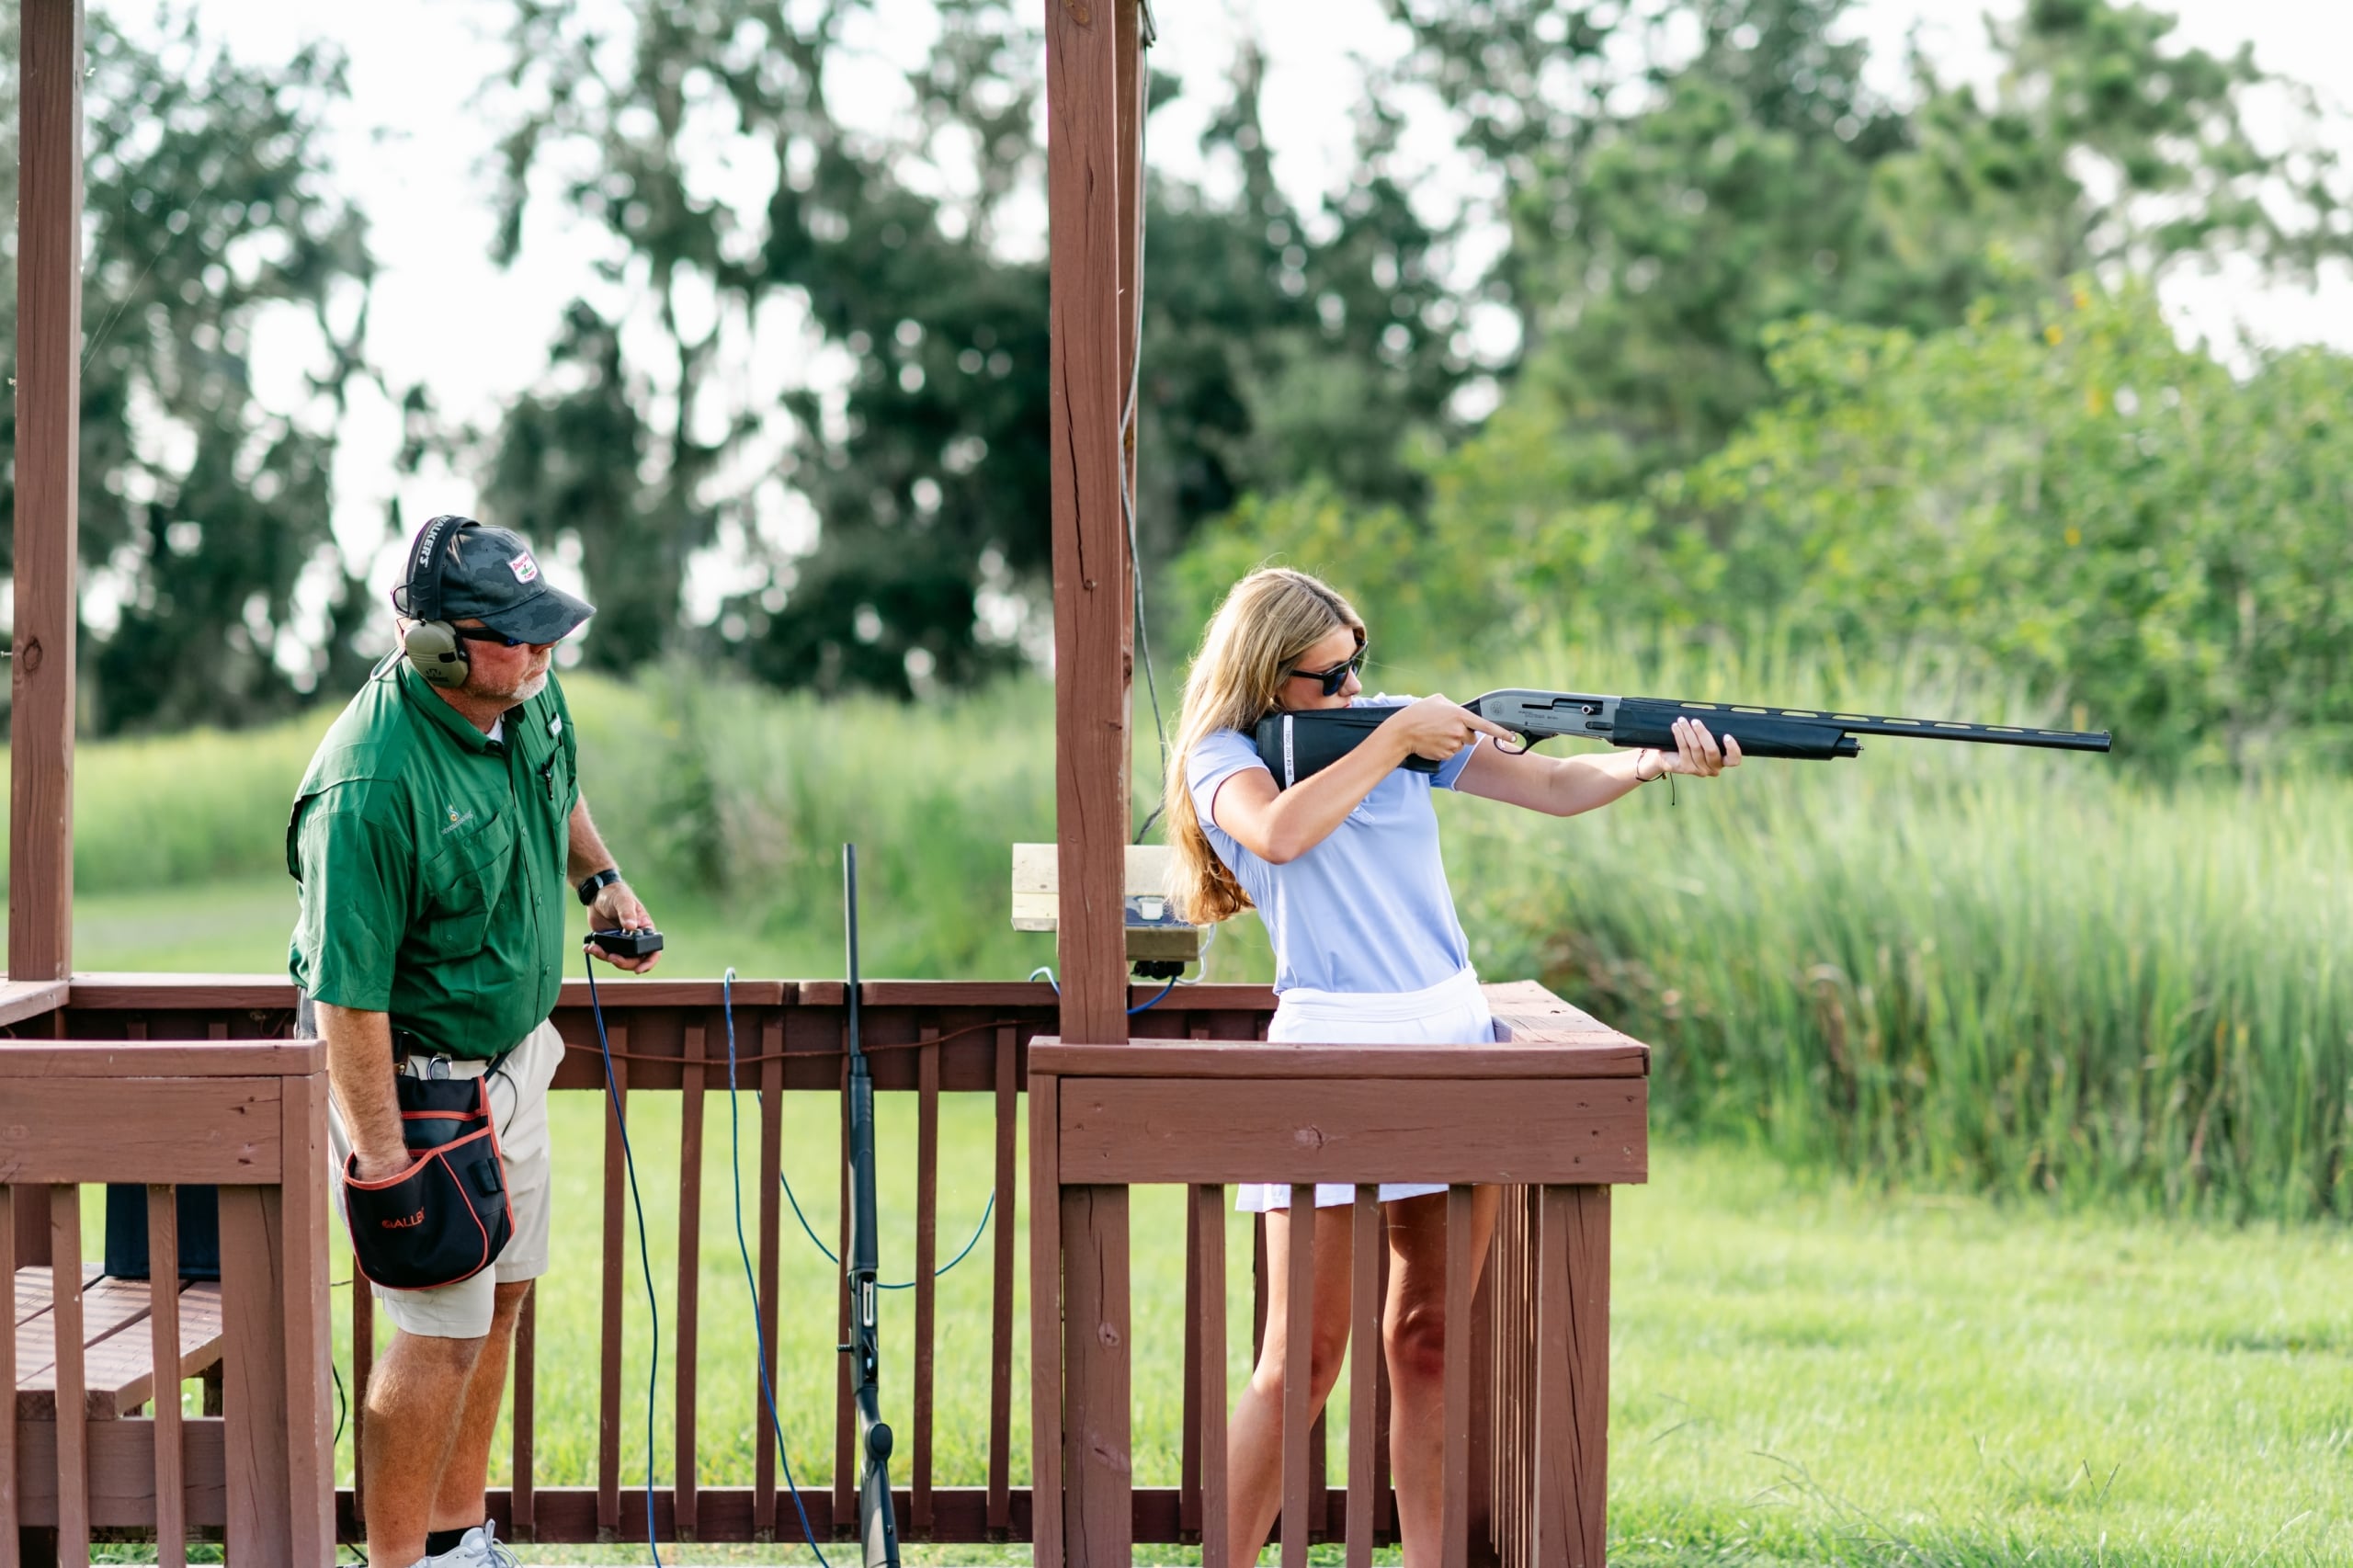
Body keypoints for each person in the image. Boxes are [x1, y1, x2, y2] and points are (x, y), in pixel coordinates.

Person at [1165, 567, 1741, 1565]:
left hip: (1449, 1034)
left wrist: (1652, 763)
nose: (1353, 690)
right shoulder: (1226, 754)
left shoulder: (1386, 727)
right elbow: (1279, 833)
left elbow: (1554, 786)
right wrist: (1391, 734)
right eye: (1328, 677)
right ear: (1265, 677)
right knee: (1298, 1361)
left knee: (1429, 1341)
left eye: (1360, 665)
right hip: (1327, 1050)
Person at [287, 515, 659, 1568]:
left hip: (515, 1058)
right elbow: (345, 995)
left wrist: (601, 879)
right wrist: (385, 1155)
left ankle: (458, 1546)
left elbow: (559, 779)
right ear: (438, 644)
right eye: (517, 635)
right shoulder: (368, 784)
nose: (543, 654)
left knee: (498, 1305)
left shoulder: (527, 694)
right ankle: (398, 1562)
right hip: (414, 1086)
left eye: (547, 632)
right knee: (438, 1330)